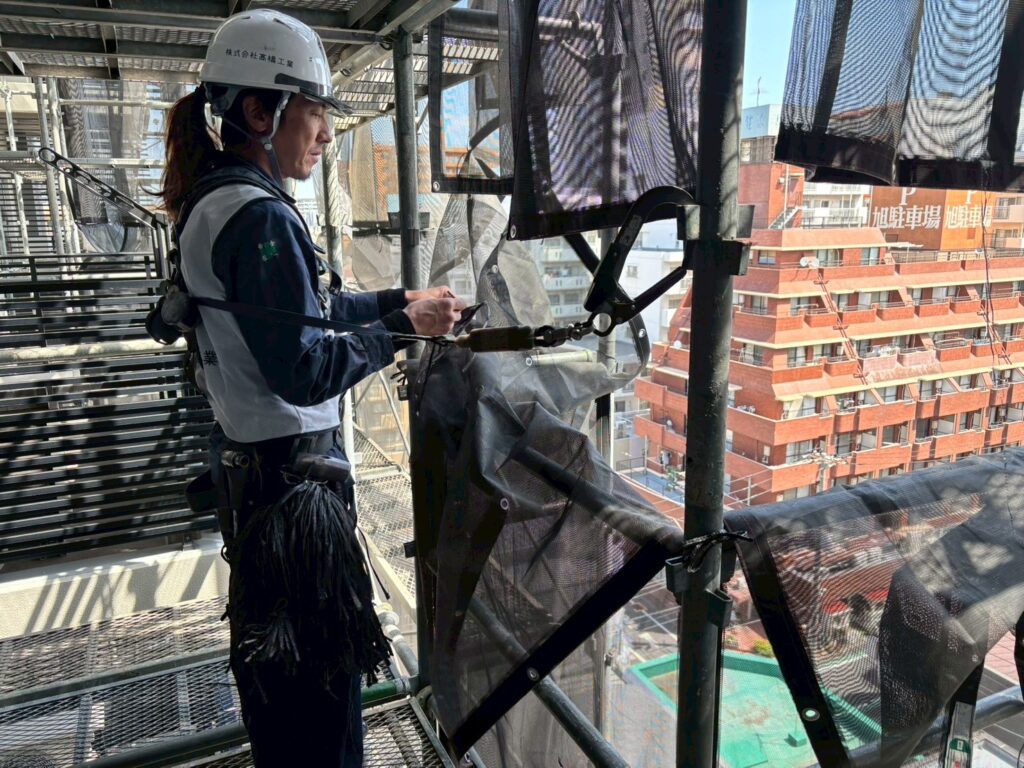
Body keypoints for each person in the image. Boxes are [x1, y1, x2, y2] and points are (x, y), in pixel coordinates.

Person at [157, 9, 464, 765]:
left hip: (262, 493)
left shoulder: (216, 201)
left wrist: (398, 303)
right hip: (296, 503)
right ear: (261, 113)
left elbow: (307, 311)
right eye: (315, 111)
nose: (326, 132)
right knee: (322, 712)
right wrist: (404, 330)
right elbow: (304, 367)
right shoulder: (259, 217)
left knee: (283, 703)